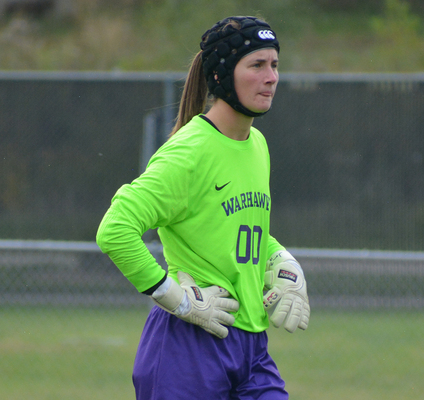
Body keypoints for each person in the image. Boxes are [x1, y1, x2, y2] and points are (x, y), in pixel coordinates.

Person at [96, 15, 310, 400]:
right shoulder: (189, 151)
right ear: (220, 76)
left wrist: (284, 262)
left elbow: (234, 227)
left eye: (275, 65)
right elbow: (115, 229)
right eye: (257, 65)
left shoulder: (257, 145)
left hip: (250, 347)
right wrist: (177, 300)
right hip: (186, 347)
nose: (271, 77)